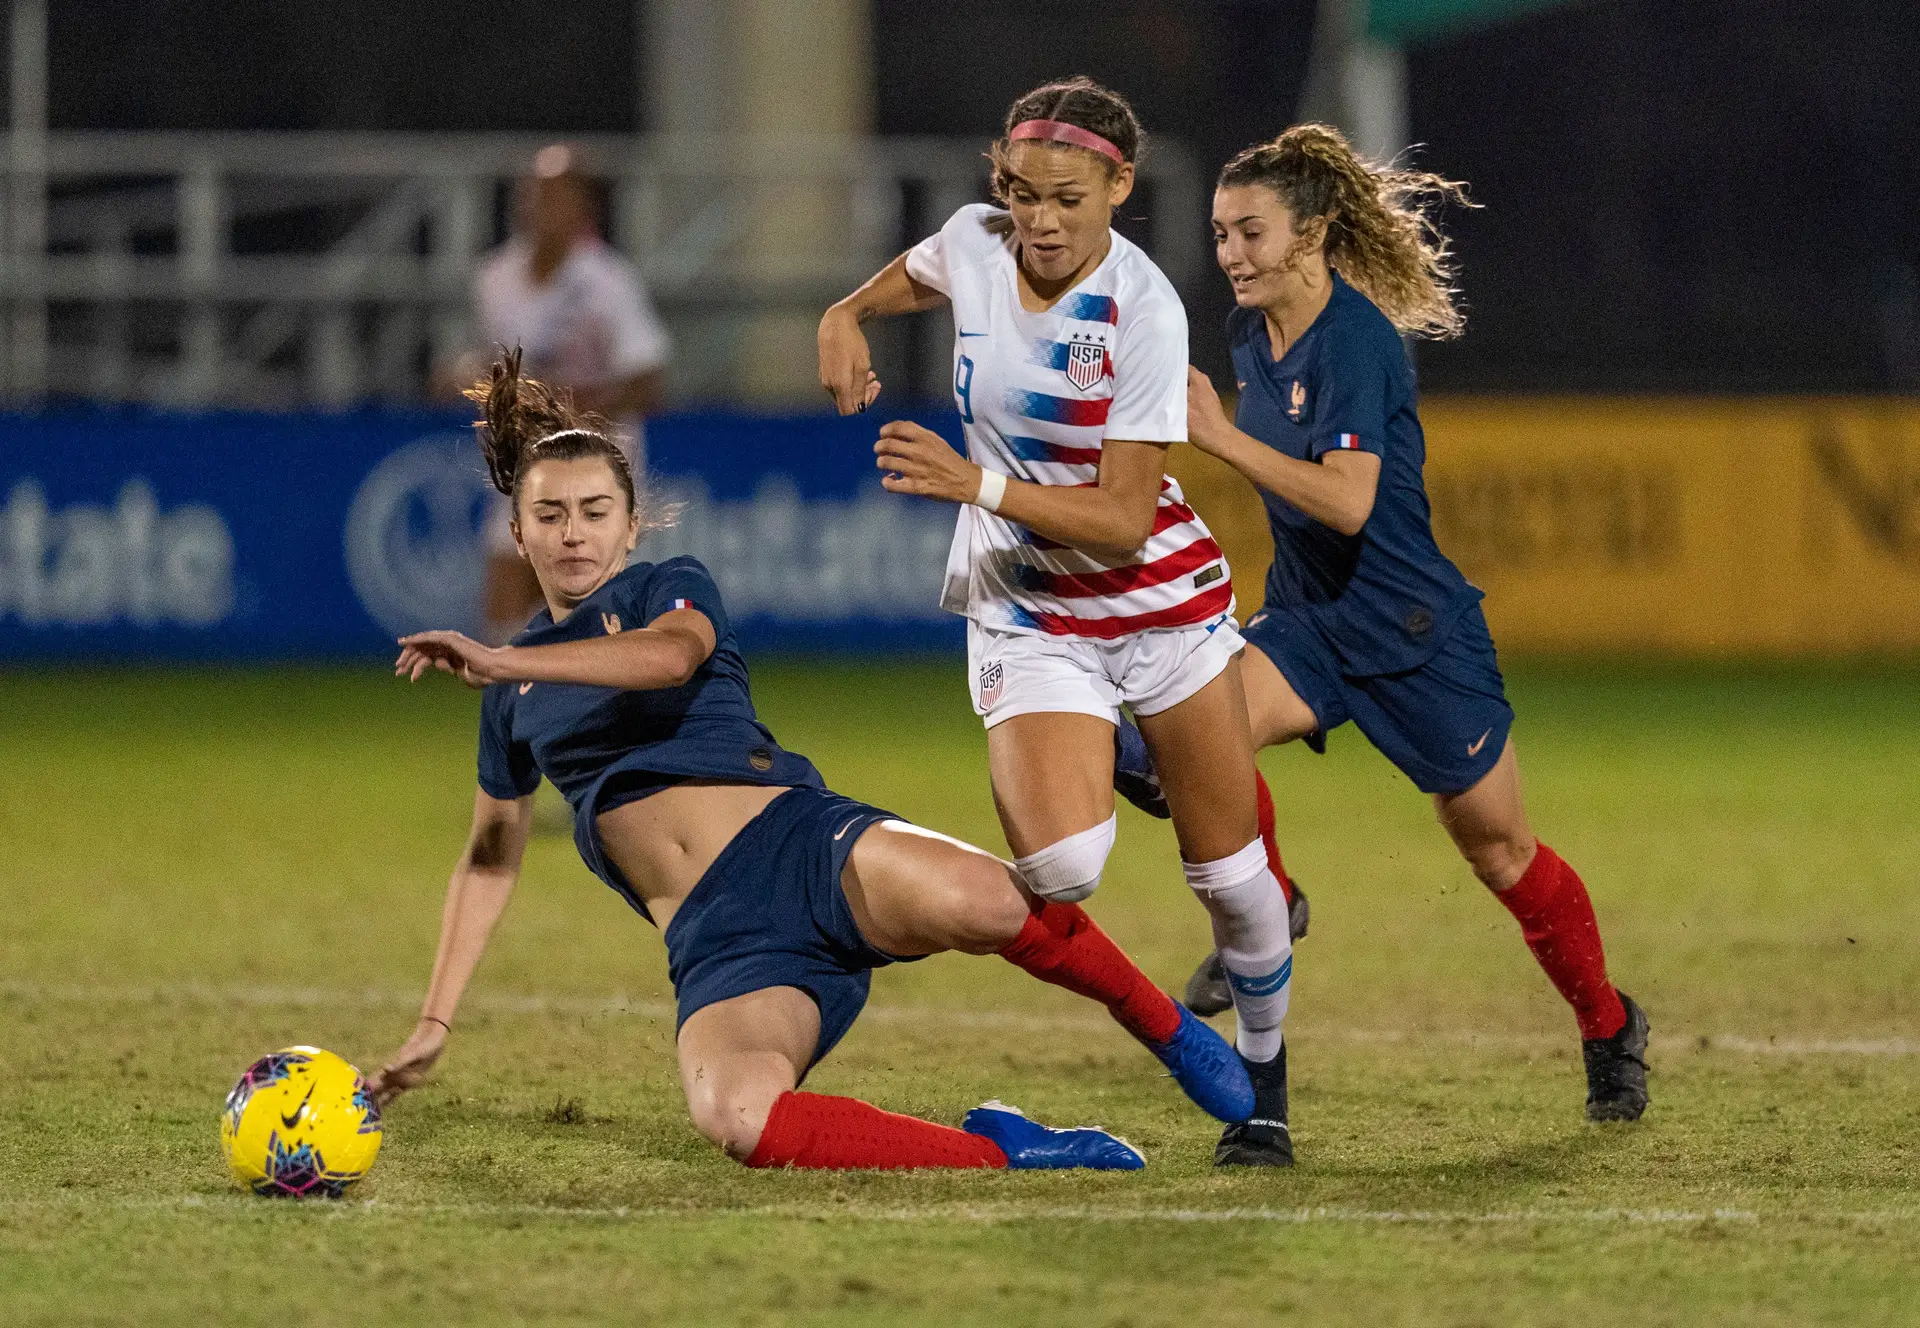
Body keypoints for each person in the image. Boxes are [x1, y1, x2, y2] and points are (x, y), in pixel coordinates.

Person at [364, 351, 1255, 1172]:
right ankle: (1007, 1150)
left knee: (991, 900)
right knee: (739, 1121)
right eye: (549, 516)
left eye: (595, 512)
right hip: (721, 945)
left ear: (632, 526)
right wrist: (434, 1022)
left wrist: (502, 656)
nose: (573, 535)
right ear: (516, 534)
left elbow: (670, 657)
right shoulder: (511, 698)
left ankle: (1164, 1026)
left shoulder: (664, 586)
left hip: (809, 849)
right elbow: (488, 859)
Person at [1111, 124, 1650, 1122]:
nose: (1229, 251)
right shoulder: (1246, 332)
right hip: (1309, 625)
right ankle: (1276, 902)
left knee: (1501, 854)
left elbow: (1352, 502)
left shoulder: (1358, 342)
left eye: (1250, 231)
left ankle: (1610, 1024)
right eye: (1222, 231)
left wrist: (1221, 438)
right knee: (1173, 743)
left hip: (1412, 632)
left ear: (1310, 234)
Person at [817, 78, 1298, 1167]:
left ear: (1120, 187)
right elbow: (920, 270)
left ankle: (1266, 1084)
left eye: (1066, 198)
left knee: (1231, 879)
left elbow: (1127, 520)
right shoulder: (976, 241)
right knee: (1068, 865)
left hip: (1155, 603)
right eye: (1020, 193)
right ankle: (1131, 753)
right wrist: (843, 310)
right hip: (1032, 607)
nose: (1038, 219)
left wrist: (973, 485)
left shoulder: (1144, 311)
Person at [461, 144, 672, 639]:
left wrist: (570, 403)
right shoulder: (495, 279)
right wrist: (467, 381)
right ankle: (512, 713)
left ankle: (593, 710)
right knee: (505, 596)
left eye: (555, 194)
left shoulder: (609, 282)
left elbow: (649, 382)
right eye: (533, 193)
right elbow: (486, 368)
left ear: (583, 209)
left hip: (600, 458)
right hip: (529, 458)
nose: (539, 204)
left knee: (591, 609)